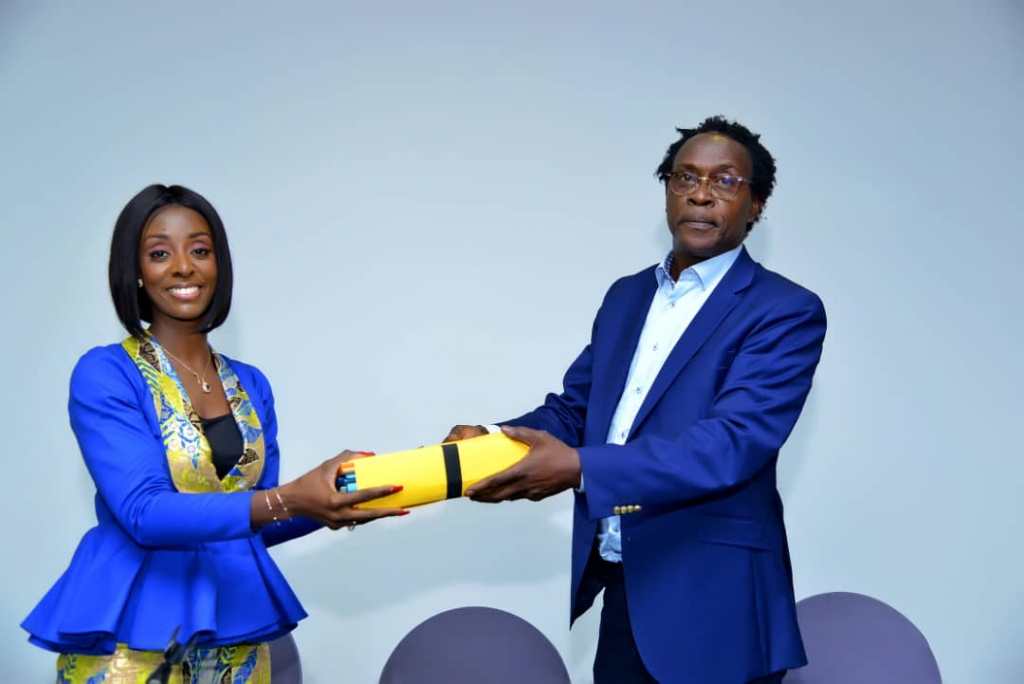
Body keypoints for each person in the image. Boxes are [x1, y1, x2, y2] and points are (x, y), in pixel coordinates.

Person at [446, 116, 826, 684]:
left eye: (725, 181)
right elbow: (577, 410)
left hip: (717, 603)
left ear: (756, 205)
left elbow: (728, 445)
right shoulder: (626, 297)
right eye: (685, 177)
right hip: (627, 588)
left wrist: (579, 468)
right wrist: (492, 441)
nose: (700, 193)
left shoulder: (784, 310)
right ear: (667, 190)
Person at [22, 184, 407, 683]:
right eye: (160, 253)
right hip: (131, 634)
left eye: (200, 250)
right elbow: (143, 512)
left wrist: (337, 497)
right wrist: (291, 498)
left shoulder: (250, 384)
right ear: (135, 271)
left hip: (234, 627)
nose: (183, 267)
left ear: (219, 265)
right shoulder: (106, 373)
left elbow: (257, 519)